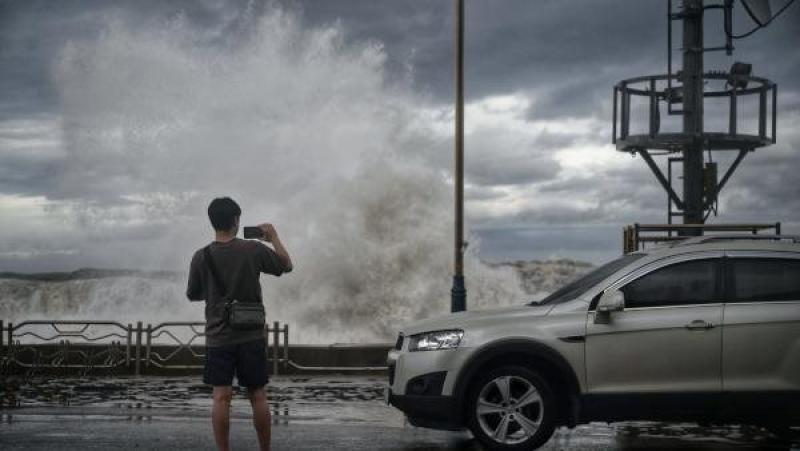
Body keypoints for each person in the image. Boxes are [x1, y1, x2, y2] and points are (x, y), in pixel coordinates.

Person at [186, 197, 292, 451]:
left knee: (221, 397)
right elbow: (286, 265)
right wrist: (273, 236)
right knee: (258, 395)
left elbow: (193, 294)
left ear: (213, 222)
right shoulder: (251, 249)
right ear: (236, 220)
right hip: (251, 335)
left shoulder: (201, 256)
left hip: (218, 337)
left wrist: (215, 293)